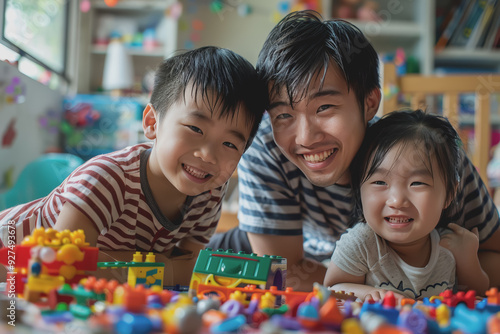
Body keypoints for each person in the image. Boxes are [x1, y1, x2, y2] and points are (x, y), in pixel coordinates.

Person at [207, 10, 500, 292]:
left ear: (370, 102)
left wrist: (446, 276)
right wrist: (389, 292)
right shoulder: (267, 146)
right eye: (284, 114)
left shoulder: (431, 157)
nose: (306, 138)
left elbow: (493, 253)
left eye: (324, 108)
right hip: (269, 254)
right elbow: (283, 269)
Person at [0, 46, 267, 285]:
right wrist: (161, 267)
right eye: (195, 128)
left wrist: (138, 265)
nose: (208, 155)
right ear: (152, 123)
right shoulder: (106, 179)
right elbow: (65, 267)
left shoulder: (209, 193)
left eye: (230, 144)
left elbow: (189, 270)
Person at [323, 109, 489, 301]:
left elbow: (478, 294)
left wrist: (467, 258)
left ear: (449, 193)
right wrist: (376, 294)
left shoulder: (449, 246)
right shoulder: (362, 243)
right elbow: (332, 289)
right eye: (380, 182)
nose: (397, 201)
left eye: (417, 183)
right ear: (359, 188)